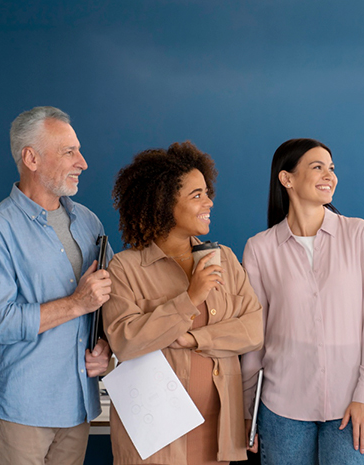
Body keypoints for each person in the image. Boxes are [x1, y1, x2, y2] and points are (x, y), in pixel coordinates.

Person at [102, 141, 263, 464]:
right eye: (197, 195)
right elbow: (126, 341)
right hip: (155, 436)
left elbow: (253, 329)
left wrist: (193, 338)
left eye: (207, 192)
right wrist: (190, 298)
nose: (209, 202)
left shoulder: (225, 259)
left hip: (217, 430)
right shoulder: (125, 267)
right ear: (164, 204)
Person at [0, 106, 112, 465]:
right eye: (69, 152)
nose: (82, 162)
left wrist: (105, 346)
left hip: (78, 405)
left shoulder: (89, 222)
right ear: (30, 158)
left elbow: (107, 301)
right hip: (22, 411)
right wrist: (76, 304)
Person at [239, 138, 364, 464]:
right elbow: (254, 341)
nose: (329, 176)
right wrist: (247, 410)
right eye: (317, 167)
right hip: (281, 409)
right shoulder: (260, 249)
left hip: (350, 407)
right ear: (287, 178)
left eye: (331, 168)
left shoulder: (359, 234)